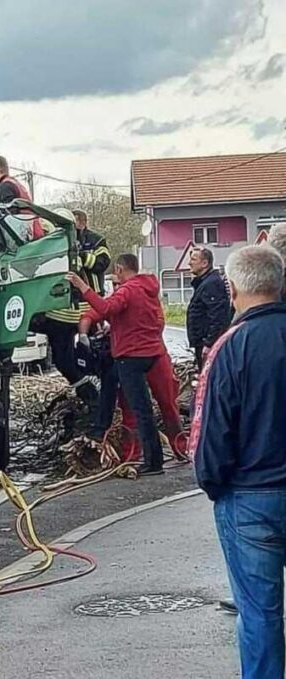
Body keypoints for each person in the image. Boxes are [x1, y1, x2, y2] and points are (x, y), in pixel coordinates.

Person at [191, 244, 286, 679]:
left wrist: (214, 484)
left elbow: (212, 433)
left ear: (231, 289)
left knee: (260, 614)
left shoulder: (231, 347)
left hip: (250, 497)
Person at [67, 254, 165, 475]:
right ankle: (101, 428)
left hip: (130, 355)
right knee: (112, 383)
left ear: (120, 269)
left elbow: (105, 307)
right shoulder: (148, 289)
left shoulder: (128, 290)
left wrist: (82, 286)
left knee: (142, 411)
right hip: (149, 353)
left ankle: (153, 462)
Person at [45, 209, 110, 405]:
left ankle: (102, 389)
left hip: (90, 301)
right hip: (65, 306)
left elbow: (102, 262)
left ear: (81, 222)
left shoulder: (96, 240)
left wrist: (81, 257)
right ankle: (87, 391)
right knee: (63, 355)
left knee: (95, 350)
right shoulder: (56, 241)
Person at [186, 247, 230, 370]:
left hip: (207, 343)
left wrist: (209, 343)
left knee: (208, 377)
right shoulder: (204, 283)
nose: (189, 263)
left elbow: (218, 316)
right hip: (202, 342)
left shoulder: (211, 284)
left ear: (205, 263)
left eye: (193, 259)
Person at [0, 155, 45, 240]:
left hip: (27, 233)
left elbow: (10, 215)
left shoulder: (5, 186)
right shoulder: (13, 182)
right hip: (33, 228)